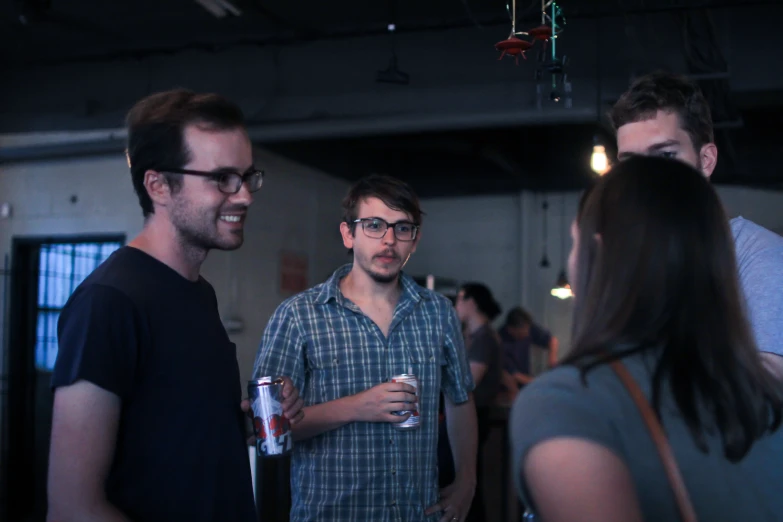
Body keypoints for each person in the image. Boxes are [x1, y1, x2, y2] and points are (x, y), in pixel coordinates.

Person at [47, 89, 304, 522]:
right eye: (223, 178)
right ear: (159, 185)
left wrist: (247, 420)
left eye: (247, 177)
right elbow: (73, 509)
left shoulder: (197, 292)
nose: (244, 196)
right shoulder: (109, 302)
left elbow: (175, 445)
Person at [510, 156, 783, 521]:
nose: (572, 263)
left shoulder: (568, 402)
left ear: (600, 253)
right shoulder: (764, 396)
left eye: (575, 244)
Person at [252, 174, 478, 522]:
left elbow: (460, 400)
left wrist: (467, 482)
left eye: (403, 228)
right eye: (374, 225)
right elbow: (269, 427)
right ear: (348, 234)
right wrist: (358, 406)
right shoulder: (298, 316)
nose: (389, 240)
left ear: (414, 240)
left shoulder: (439, 313)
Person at [610, 70, 783, 375]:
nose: (645, 178)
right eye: (632, 164)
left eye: (664, 156)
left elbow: (770, 383)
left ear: (706, 161)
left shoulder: (758, 255)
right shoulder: (630, 265)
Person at [453, 282, 503, 522]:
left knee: (469, 481)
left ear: (471, 302)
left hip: (477, 415)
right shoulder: (472, 336)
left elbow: (468, 381)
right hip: (469, 414)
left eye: (460, 299)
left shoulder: (484, 338)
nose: (456, 305)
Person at [499, 307, 558, 389]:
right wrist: (540, 382)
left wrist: (552, 361)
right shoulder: (500, 342)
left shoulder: (528, 328)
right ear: (511, 329)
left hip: (527, 380)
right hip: (509, 388)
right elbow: (514, 374)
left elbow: (552, 341)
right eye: (521, 333)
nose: (527, 334)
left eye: (528, 330)